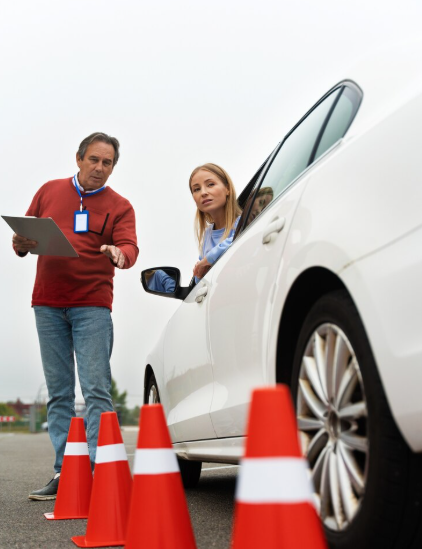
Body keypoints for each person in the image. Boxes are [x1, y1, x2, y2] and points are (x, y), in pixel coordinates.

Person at [12, 132, 139, 501]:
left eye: (108, 163)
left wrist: (120, 253)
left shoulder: (121, 205)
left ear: (113, 167)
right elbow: (24, 235)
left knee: (97, 389)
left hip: (93, 306)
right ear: (79, 158)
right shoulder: (49, 190)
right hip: (48, 304)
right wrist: (20, 245)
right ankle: (65, 472)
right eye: (94, 160)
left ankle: (100, 472)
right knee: (59, 394)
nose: (100, 168)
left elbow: (129, 247)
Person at [189, 163, 241, 281]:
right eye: (196, 189)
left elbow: (238, 239)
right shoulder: (207, 236)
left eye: (210, 184)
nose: (203, 193)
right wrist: (198, 274)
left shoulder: (244, 222)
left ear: (227, 189)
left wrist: (207, 260)